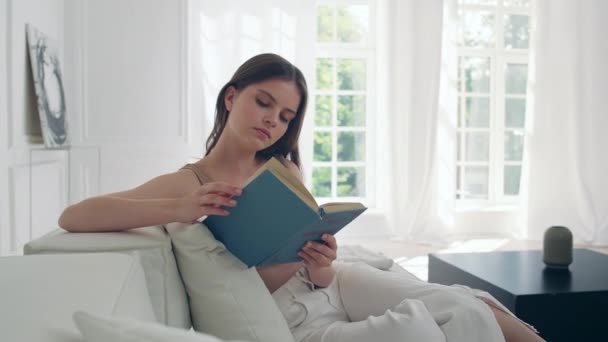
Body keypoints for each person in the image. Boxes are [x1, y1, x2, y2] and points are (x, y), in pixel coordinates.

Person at [58, 53, 544, 342]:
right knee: (422, 327)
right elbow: (75, 215)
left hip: (329, 283)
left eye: (286, 115)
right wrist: (182, 208)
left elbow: (306, 243)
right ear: (232, 97)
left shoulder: (282, 168)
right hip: (292, 313)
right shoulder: (190, 181)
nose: (272, 121)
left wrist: (323, 259)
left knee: (468, 307)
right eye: (263, 102)